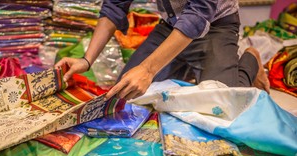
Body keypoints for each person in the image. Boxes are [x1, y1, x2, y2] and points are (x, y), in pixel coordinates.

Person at [55, 0, 270, 100]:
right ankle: (185, 66)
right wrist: (86, 60)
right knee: (127, 95)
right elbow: (114, 6)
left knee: (223, 103)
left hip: (216, 25)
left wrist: (148, 70)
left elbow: (198, 15)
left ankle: (251, 58)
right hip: (171, 26)